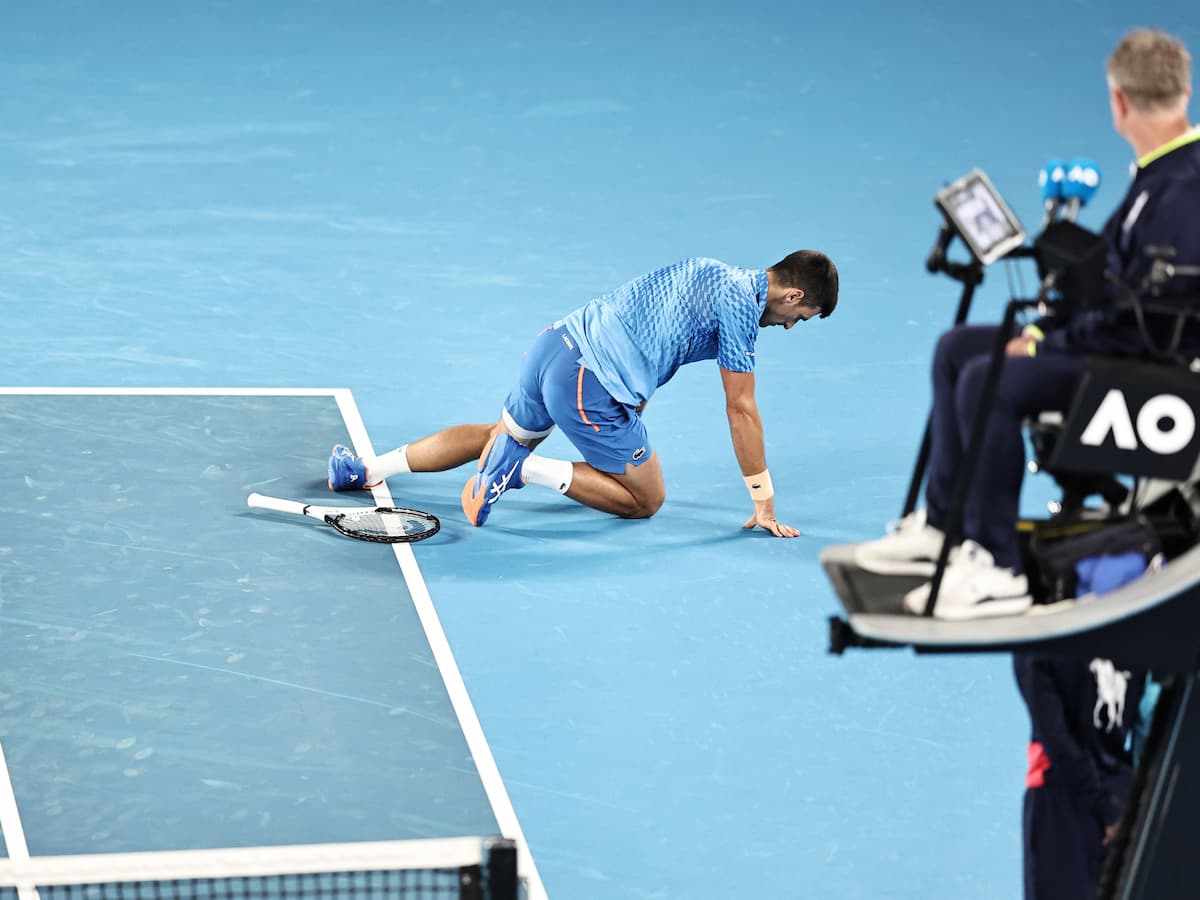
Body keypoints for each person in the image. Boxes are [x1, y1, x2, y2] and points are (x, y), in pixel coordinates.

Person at [854, 27, 1200, 619]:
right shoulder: (1164, 174)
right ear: (1183, 90)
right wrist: (1045, 331)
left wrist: (1046, 341)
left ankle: (1000, 566)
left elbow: (1147, 317)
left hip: (1152, 367)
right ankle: (943, 524)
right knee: (956, 349)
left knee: (988, 381)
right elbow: (1123, 287)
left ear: (1119, 104)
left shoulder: (1183, 189)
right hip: (1117, 341)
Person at [327, 252, 839, 536]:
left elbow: (653, 331)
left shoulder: (708, 268)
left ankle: (364, 471)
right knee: (646, 499)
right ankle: (521, 468)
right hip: (589, 382)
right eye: (801, 317)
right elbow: (741, 408)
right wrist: (763, 500)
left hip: (554, 345)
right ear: (793, 294)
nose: (792, 326)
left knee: (497, 433)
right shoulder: (741, 314)